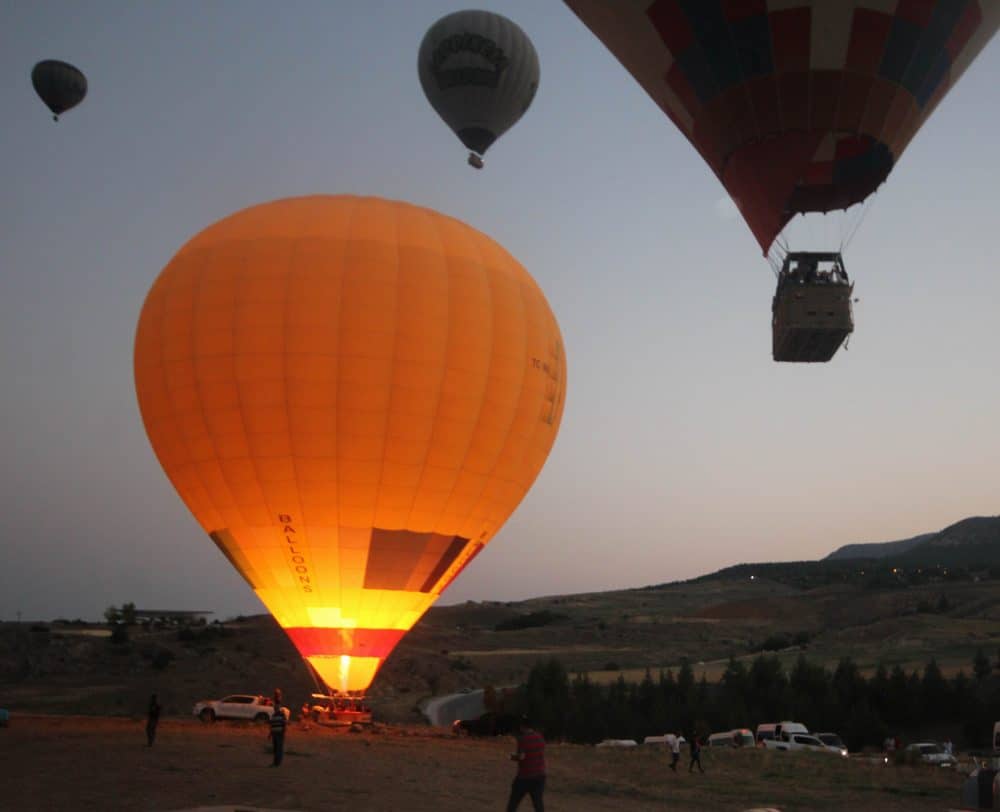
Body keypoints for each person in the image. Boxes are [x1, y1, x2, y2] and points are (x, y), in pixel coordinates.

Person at [506, 716, 545, 811]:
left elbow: (522, 757)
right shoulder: (539, 737)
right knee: (538, 804)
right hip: (539, 775)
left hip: (525, 776)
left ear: (522, 726)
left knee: (513, 804)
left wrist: (512, 757)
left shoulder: (523, 739)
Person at [269, 701, 287, 766]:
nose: (275, 708)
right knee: (275, 748)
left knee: (279, 748)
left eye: (276, 707)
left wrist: (283, 732)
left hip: (279, 733)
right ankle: (275, 762)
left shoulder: (282, 715)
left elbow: (284, 724)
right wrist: (270, 734)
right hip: (274, 733)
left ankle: (277, 762)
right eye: (275, 707)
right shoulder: (273, 715)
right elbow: (271, 725)